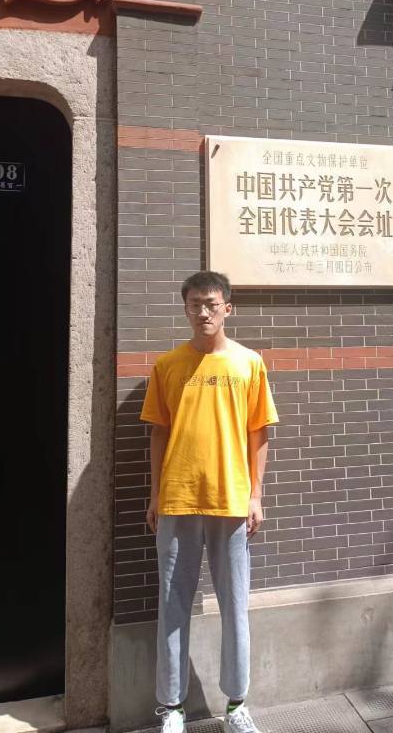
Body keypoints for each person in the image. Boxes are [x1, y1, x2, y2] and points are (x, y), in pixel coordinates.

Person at [141, 271, 278, 733]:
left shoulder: (248, 363)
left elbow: (259, 432)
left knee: (235, 605)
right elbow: (158, 433)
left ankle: (236, 705)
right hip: (177, 500)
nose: (203, 312)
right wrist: (155, 494)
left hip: (231, 500)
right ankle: (172, 709)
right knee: (172, 605)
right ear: (185, 309)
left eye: (211, 304)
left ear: (227, 309)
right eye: (195, 304)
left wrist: (256, 494)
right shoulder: (167, 365)